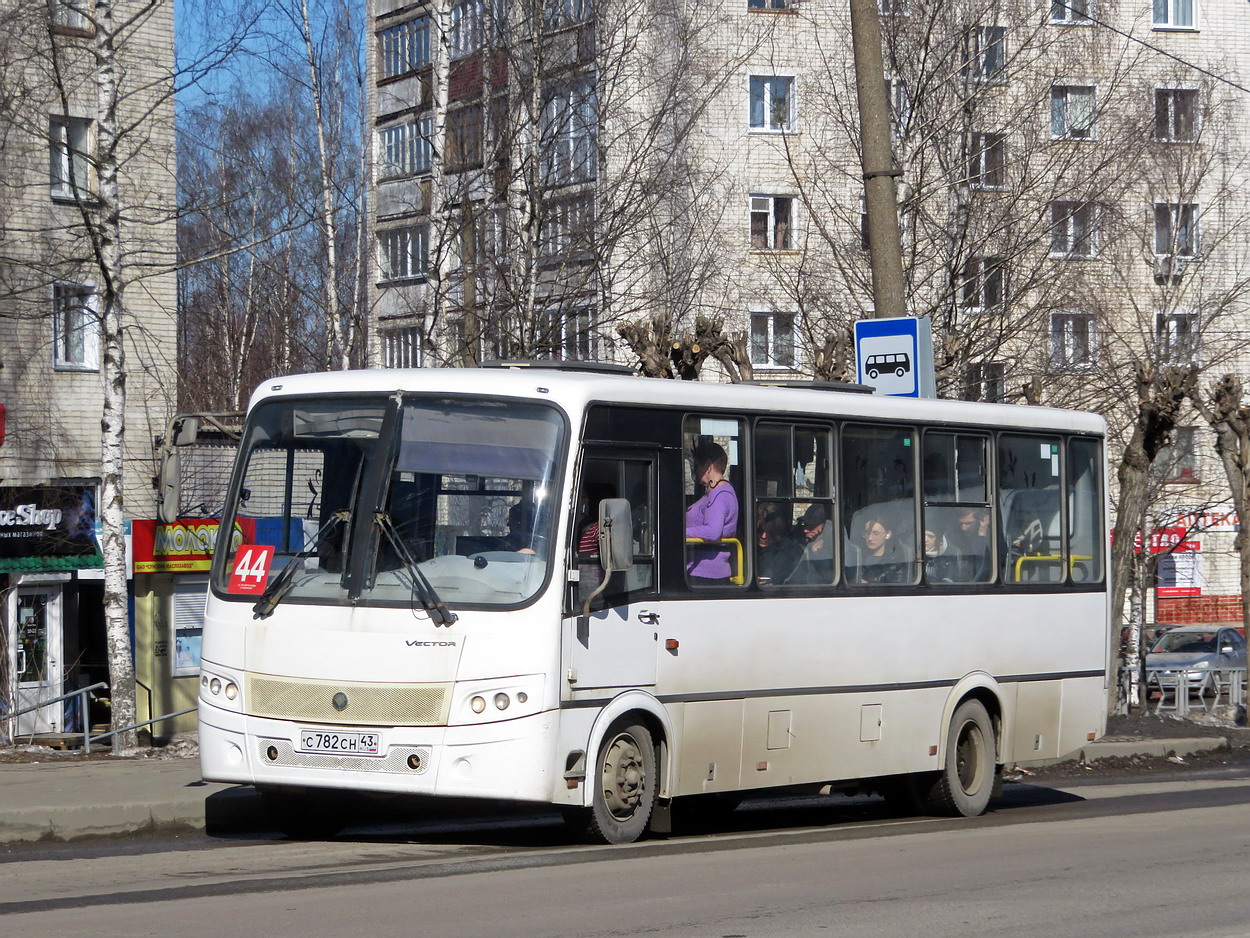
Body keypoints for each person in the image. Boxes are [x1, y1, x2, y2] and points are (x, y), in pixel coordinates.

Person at [685, 441, 739, 583]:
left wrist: (680, 534)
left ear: (708, 466)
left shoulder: (720, 494)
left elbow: (713, 531)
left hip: (706, 575)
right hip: (700, 570)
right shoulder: (713, 493)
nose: (695, 472)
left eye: (696, 466)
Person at [785, 504, 833, 585]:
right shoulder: (799, 547)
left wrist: (816, 552)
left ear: (823, 527)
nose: (805, 530)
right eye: (805, 525)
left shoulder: (834, 551)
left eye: (811, 526)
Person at [756, 505, 802, 585]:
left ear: (776, 531)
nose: (763, 536)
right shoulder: (750, 550)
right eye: (759, 531)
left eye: (769, 531)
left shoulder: (790, 552)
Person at [859, 514, 906, 584]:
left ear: (888, 534)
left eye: (876, 534)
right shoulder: (856, 559)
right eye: (867, 533)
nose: (870, 538)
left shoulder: (894, 564)